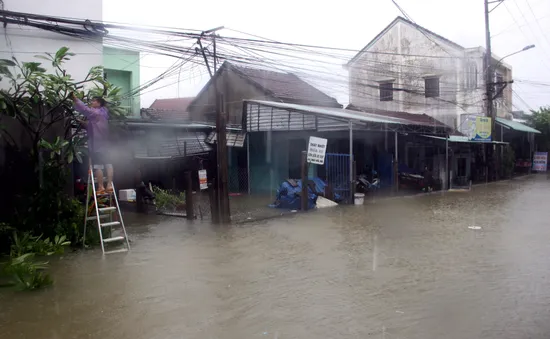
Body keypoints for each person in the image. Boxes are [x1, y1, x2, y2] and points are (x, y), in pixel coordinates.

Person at [72, 93, 113, 194]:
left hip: (97, 145)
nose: (91, 102)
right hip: (106, 144)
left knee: (98, 166)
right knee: (108, 164)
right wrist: (81, 122)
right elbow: (93, 126)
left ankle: (100, 187)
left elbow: (85, 109)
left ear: (99, 103)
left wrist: (75, 99)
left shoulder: (95, 113)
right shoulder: (104, 113)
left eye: (94, 101)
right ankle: (109, 184)